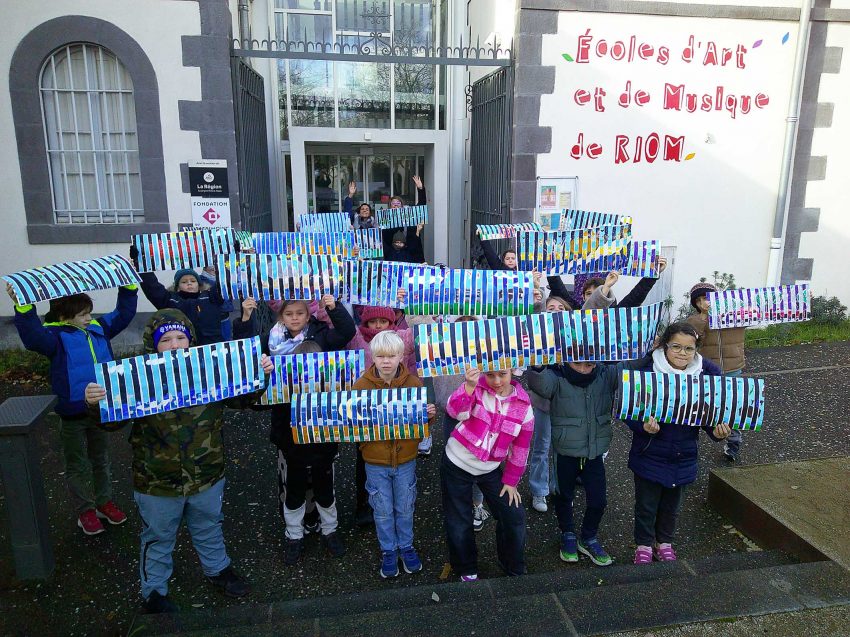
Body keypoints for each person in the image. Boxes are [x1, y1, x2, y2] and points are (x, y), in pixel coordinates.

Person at [83, 309, 274, 613]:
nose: (174, 344)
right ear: (153, 344)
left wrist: (260, 375)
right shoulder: (135, 378)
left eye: (180, 338)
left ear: (190, 341)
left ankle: (218, 570)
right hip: (156, 480)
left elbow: (242, 398)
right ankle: (154, 592)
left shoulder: (209, 370)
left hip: (207, 473)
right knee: (157, 536)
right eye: (166, 339)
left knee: (209, 525)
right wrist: (95, 403)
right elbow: (110, 423)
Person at [234, 295, 355, 565]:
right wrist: (245, 319)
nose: (295, 318)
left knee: (325, 484)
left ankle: (330, 530)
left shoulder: (321, 335)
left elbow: (347, 332)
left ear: (308, 315)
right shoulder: (270, 340)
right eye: (289, 314)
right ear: (281, 316)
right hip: (288, 427)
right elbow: (244, 352)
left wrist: (333, 307)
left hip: (323, 425)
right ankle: (294, 534)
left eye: (300, 313)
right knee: (294, 487)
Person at [8, 282, 137, 536]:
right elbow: (32, 337)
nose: (89, 318)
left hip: (100, 409)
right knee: (76, 464)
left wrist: (129, 286)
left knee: (101, 459)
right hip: (72, 413)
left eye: (89, 312)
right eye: (82, 315)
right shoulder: (54, 337)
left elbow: (124, 313)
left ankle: (104, 503)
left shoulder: (99, 328)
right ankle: (85, 510)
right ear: (64, 317)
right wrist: (23, 305)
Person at [623, 322, 731, 564]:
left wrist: (718, 432)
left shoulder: (706, 375)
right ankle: (643, 544)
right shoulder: (647, 371)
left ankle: (664, 542)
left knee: (671, 506)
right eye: (676, 347)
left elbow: (709, 415)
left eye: (689, 348)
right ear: (664, 346)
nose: (682, 353)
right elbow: (629, 411)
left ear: (696, 350)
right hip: (649, 452)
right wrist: (642, 426)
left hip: (683, 453)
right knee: (646, 505)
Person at [526, 345, 637, 568]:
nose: (584, 369)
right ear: (565, 360)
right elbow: (540, 382)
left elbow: (630, 366)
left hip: (594, 452)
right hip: (565, 451)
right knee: (563, 496)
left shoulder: (605, 375)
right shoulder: (557, 377)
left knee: (598, 500)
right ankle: (567, 533)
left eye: (589, 364)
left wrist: (648, 349)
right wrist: (536, 365)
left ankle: (589, 536)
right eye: (577, 363)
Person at [352, 331, 437, 577]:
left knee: (405, 507)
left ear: (401, 356)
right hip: (375, 461)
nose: (386, 361)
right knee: (382, 510)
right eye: (381, 356)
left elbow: (421, 428)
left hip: (405, 459)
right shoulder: (360, 386)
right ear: (372, 357)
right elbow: (354, 427)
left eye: (391, 356)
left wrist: (428, 417)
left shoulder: (413, 384)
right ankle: (388, 550)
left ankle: (406, 546)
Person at [441, 367, 534, 581]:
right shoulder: (476, 388)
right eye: (490, 375)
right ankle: (466, 569)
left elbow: (521, 447)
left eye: (502, 374)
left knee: (513, 515)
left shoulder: (524, 405)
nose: (497, 380)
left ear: (513, 371)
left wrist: (511, 481)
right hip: (457, 462)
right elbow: (454, 411)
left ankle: (512, 565)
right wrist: (468, 387)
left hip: (490, 468)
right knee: (459, 520)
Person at [686, 282, 746, 461]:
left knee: (732, 406)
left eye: (707, 298)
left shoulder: (733, 314)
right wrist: (705, 316)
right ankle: (690, 442)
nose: (704, 302)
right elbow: (694, 338)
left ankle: (734, 441)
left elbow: (760, 313)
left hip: (733, 367)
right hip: (708, 371)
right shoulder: (694, 320)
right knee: (705, 406)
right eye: (699, 300)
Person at [526, 295, 573, 514]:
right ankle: (539, 490)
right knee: (542, 446)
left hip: (568, 403)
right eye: (550, 307)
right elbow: (531, 318)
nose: (555, 310)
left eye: (560, 307)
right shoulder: (538, 335)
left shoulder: (574, 336)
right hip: (543, 403)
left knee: (564, 449)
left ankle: (559, 488)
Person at [131, 247, 228, 346]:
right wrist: (139, 261)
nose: (189, 283)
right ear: (177, 287)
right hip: (183, 350)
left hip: (214, 348)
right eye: (184, 282)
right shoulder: (171, 300)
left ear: (199, 285)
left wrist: (233, 255)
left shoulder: (211, 297)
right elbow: (152, 287)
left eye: (193, 281)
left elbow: (227, 280)